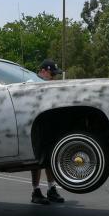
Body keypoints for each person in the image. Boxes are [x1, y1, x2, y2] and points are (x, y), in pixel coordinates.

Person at [31, 59, 65, 205]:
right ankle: (36, 191)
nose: (54, 78)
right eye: (52, 74)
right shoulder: (32, 83)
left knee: (50, 158)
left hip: (49, 125)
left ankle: (51, 189)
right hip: (36, 125)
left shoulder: (50, 85)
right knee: (37, 160)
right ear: (43, 71)